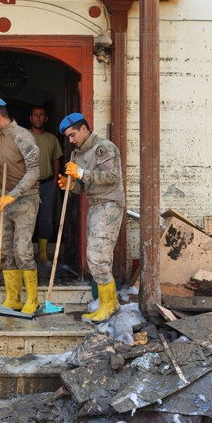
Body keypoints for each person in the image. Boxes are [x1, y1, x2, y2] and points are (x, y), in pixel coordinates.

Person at [58, 113, 124, 323]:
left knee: (98, 257)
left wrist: (81, 173)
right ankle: (107, 304)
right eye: (68, 137)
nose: (71, 140)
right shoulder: (78, 154)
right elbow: (85, 187)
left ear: (85, 129)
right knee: (96, 257)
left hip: (109, 205)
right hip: (96, 206)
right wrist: (71, 185)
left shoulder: (104, 148)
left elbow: (113, 177)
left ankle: (110, 305)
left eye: (73, 135)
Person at [0, 97, 41, 314]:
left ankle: (32, 299)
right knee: (4, 249)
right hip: (2, 196)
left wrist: (14, 195)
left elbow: (35, 172)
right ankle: (13, 298)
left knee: (22, 250)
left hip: (25, 199)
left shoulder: (22, 136)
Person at [29, 105, 63, 263]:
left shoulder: (52, 139)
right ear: (31, 118)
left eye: (41, 115)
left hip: (48, 184)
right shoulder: (24, 136)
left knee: (46, 219)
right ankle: (26, 255)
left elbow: (56, 159)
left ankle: (42, 254)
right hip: (28, 185)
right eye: (35, 115)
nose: (38, 117)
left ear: (46, 118)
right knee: (27, 219)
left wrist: (55, 180)